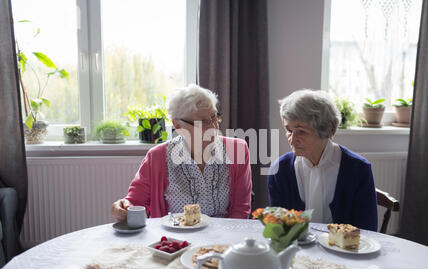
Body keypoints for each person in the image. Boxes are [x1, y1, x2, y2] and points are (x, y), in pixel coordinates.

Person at [111, 84, 252, 221]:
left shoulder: (237, 150)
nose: (213, 127)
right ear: (177, 125)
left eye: (215, 117)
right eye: (202, 122)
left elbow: (240, 210)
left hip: (222, 240)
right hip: (177, 241)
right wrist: (123, 206)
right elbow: (135, 202)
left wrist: (222, 243)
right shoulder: (157, 157)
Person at [267, 89, 378, 231]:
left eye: (301, 131)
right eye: (289, 130)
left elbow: (367, 231)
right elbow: (278, 230)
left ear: (327, 128)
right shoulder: (279, 170)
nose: (292, 139)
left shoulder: (358, 169)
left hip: (345, 251)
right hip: (296, 251)